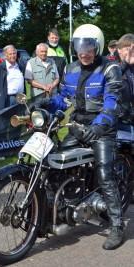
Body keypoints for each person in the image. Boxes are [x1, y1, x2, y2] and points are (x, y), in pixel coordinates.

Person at [45, 24, 124, 250]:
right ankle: (62, 208)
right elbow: (64, 98)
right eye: (80, 46)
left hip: (102, 131)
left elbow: (111, 102)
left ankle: (117, 226)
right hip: (78, 127)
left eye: (89, 46)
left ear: (97, 46)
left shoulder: (110, 69)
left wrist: (99, 127)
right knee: (55, 163)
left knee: (104, 173)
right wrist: (46, 102)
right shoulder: (70, 68)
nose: (84, 51)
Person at [0, 45, 24, 112]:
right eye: (10, 54)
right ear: (5, 55)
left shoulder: (20, 66)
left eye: (14, 53)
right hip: (7, 99)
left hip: (20, 98)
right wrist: (0, 95)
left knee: (19, 120)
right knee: (6, 120)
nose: (13, 56)